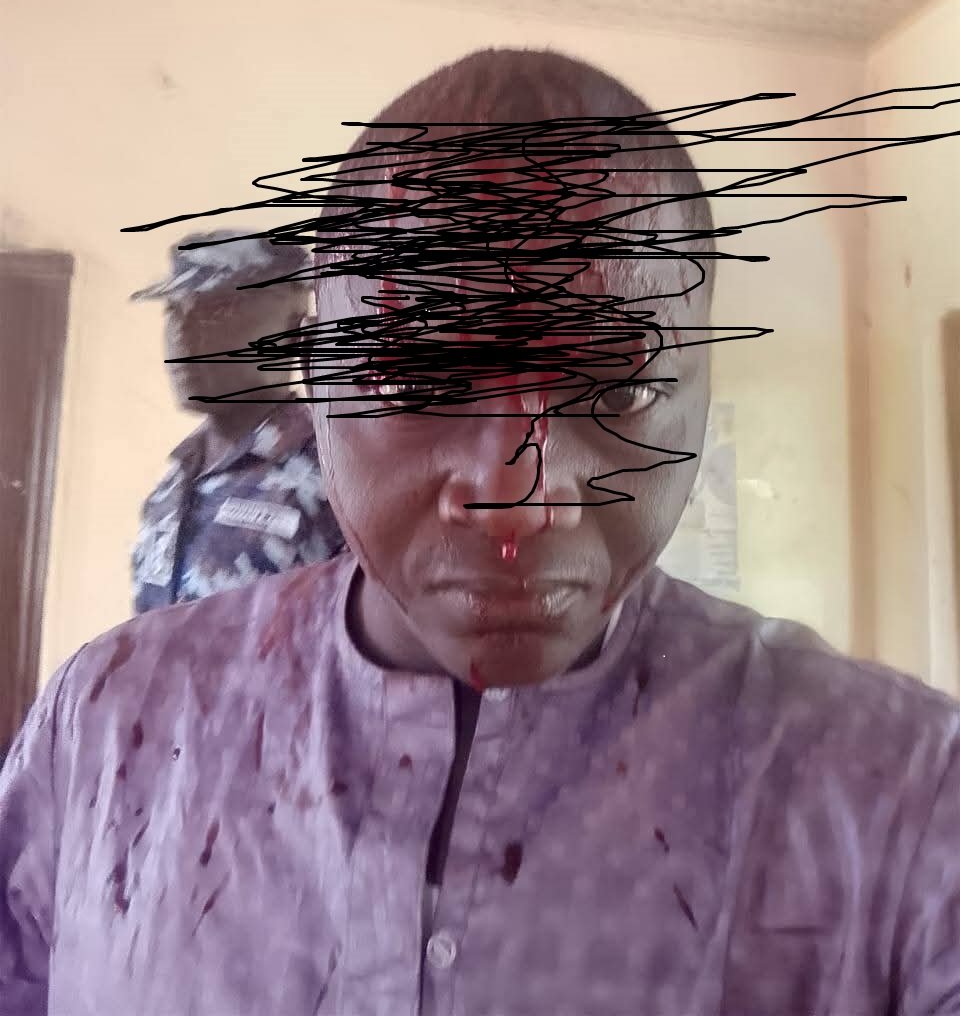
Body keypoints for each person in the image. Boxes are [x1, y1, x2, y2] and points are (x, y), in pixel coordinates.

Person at [1, 49, 958, 1015]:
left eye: (617, 386)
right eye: (417, 376)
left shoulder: (903, 795)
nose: (517, 496)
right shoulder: (105, 730)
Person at [129, 230, 344, 612]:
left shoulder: (336, 474)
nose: (182, 334)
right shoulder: (175, 480)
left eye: (217, 311)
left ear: (293, 330)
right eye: (174, 312)